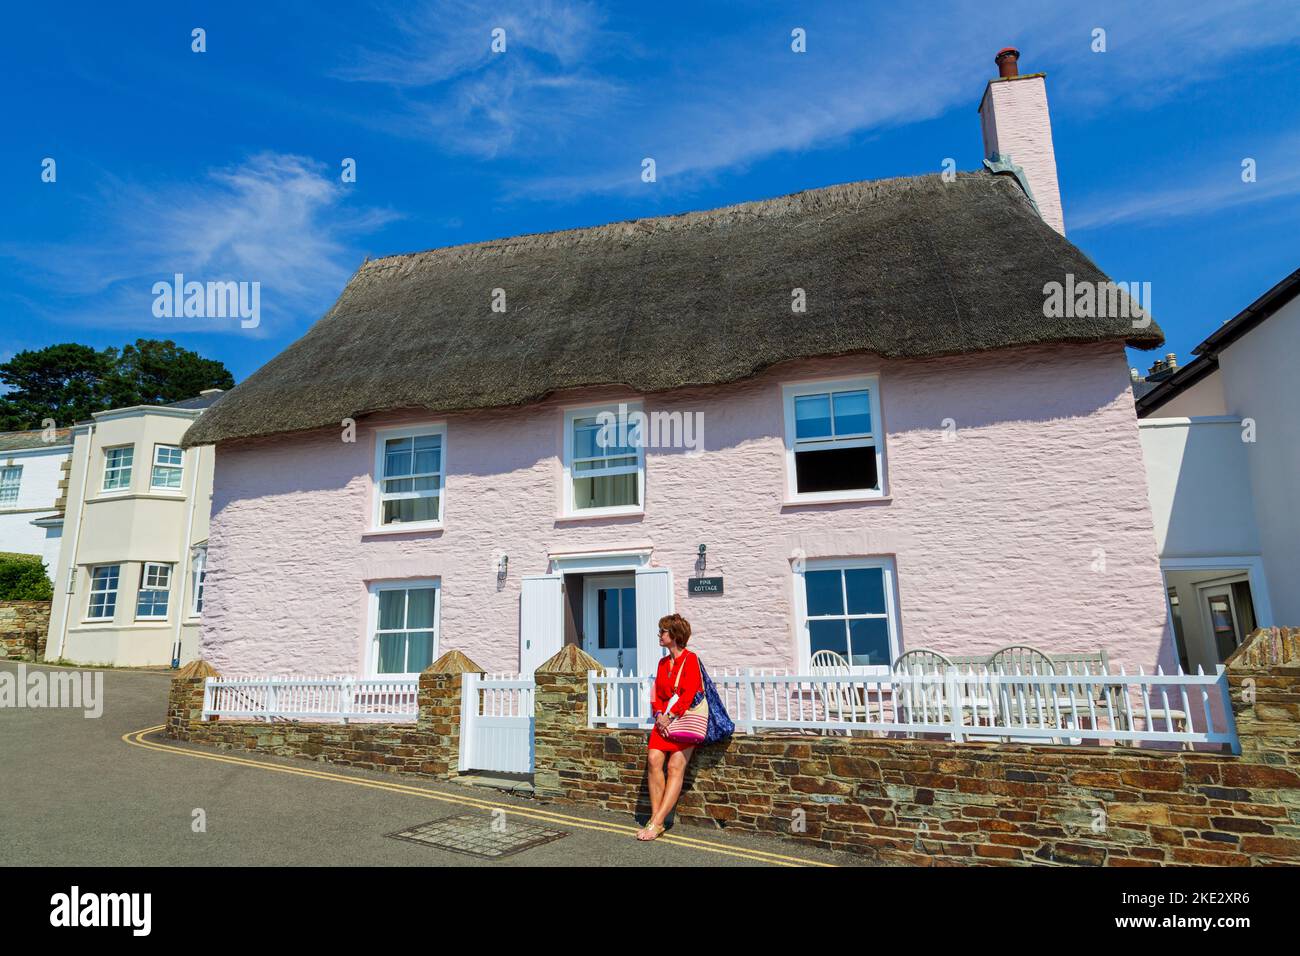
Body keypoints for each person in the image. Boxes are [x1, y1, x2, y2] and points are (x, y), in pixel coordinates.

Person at [637, 613, 702, 841]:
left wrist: (670, 716)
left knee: (675, 766)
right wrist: (658, 714)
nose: (659, 635)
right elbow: (657, 693)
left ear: (674, 635)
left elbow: (690, 692)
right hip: (663, 722)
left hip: (683, 722)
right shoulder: (663, 663)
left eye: (663, 631)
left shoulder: (691, 659)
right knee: (654, 760)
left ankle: (656, 823)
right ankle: (657, 818)